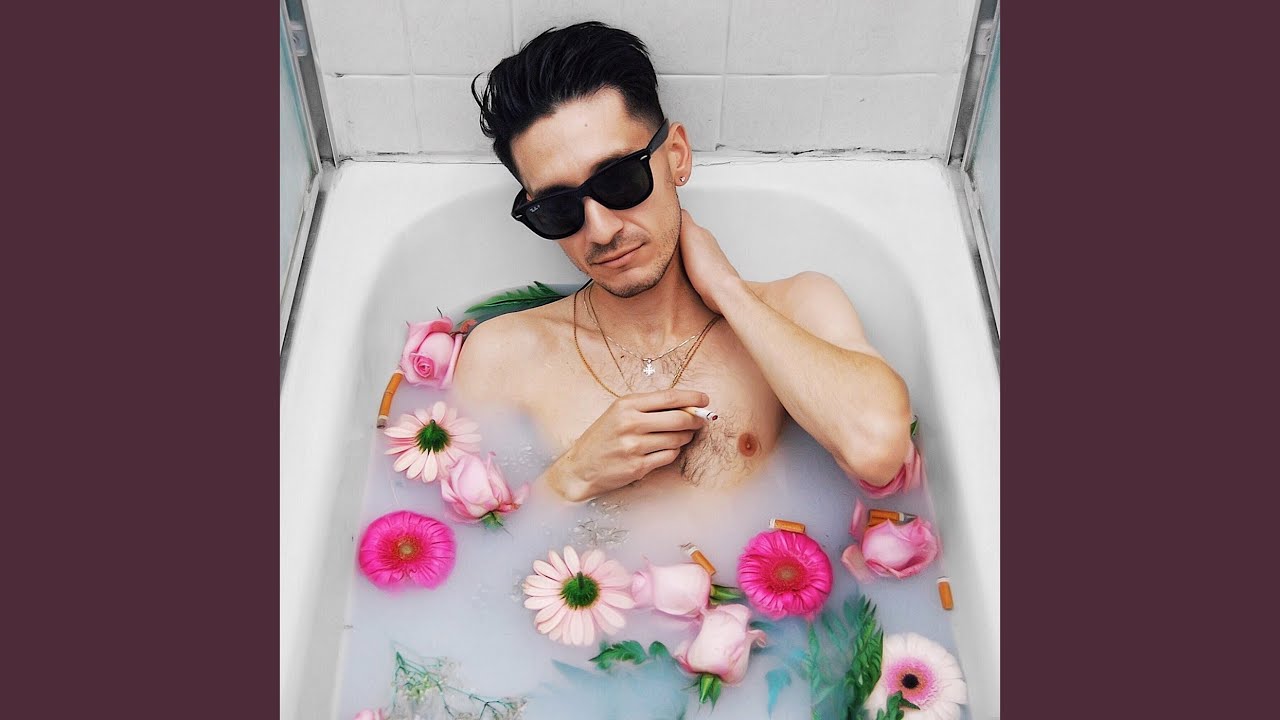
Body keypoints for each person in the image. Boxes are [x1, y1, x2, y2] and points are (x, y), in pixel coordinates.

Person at [453, 21, 912, 502]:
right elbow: (474, 534)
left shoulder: (796, 307)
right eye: (559, 207)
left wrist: (729, 292)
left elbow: (879, 450)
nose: (602, 230)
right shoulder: (502, 355)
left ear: (676, 155)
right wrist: (573, 476)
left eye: (619, 179)